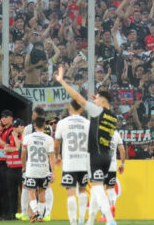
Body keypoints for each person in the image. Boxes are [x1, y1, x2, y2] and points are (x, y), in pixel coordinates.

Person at [55, 65, 117, 225]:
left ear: (102, 101)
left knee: (96, 189)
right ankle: (89, 222)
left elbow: (77, 98)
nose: (93, 100)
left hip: (95, 156)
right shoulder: (113, 117)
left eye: (96, 98)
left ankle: (110, 220)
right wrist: (97, 100)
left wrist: (62, 81)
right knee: (97, 189)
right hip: (107, 157)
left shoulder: (98, 112)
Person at [54, 100, 90, 225]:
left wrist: (57, 156)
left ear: (69, 109)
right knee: (83, 191)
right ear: (81, 110)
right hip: (84, 162)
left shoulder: (62, 123)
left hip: (69, 162)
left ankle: (73, 222)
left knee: (70, 193)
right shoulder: (88, 123)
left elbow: (57, 143)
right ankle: (81, 219)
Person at [21, 108, 55, 221]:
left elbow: (23, 154)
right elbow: (51, 156)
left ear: (34, 126)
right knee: (42, 193)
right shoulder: (49, 138)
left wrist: (24, 166)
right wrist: (53, 172)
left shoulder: (27, 137)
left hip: (31, 169)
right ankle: (41, 215)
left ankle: (35, 212)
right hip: (44, 170)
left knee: (30, 192)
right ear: (45, 126)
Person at [105, 125, 125, 219]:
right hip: (112, 165)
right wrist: (122, 164)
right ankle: (112, 204)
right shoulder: (116, 134)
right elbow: (122, 151)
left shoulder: (99, 133)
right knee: (110, 189)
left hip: (100, 165)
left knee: (98, 189)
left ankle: (103, 214)